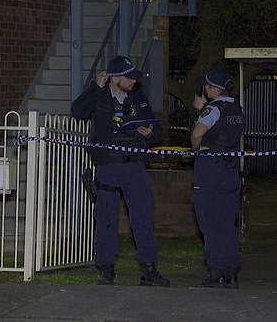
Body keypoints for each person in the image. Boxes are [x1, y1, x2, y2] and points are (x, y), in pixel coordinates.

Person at [70, 55, 169, 287]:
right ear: (114, 78)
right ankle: (105, 268)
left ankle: (149, 269)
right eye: (128, 77)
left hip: (134, 164)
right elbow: (78, 111)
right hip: (109, 165)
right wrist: (96, 87)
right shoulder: (100, 95)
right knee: (105, 218)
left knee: (143, 218)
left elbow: (157, 130)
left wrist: (150, 134)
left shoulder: (139, 97)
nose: (134, 81)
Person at [190, 67, 245, 288]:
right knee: (227, 221)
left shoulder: (212, 109)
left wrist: (196, 149)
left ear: (213, 89)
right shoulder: (237, 109)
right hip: (230, 168)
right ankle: (231, 271)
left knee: (209, 219)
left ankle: (216, 269)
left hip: (210, 167)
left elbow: (197, 133)